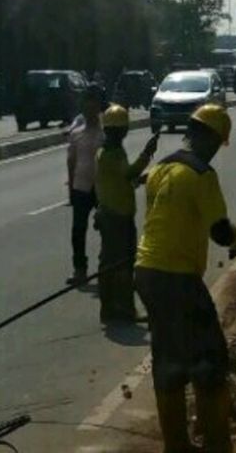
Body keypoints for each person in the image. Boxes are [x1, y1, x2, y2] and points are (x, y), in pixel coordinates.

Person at [134, 104, 236, 453]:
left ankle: (177, 444)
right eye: (217, 143)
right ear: (211, 138)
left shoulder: (159, 169)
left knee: (168, 357)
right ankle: (217, 444)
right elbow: (219, 231)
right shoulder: (201, 174)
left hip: (147, 272)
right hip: (178, 277)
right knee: (210, 359)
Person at [95, 103, 159, 324]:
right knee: (121, 264)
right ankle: (123, 310)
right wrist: (147, 154)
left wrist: (140, 179)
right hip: (116, 216)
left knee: (111, 263)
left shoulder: (109, 150)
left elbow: (123, 180)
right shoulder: (110, 154)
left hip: (113, 212)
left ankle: (112, 309)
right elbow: (128, 173)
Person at [66, 85, 106, 285]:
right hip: (81, 187)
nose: (90, 111)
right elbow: (71, 162)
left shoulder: (106, 135)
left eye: (93, 107)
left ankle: (106, 268)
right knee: (78, 230)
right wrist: (70, 188)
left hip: (102, 189)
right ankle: (79, 269)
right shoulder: (76, 134)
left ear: (99, 108)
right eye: (86, 107)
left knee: (107, 229)